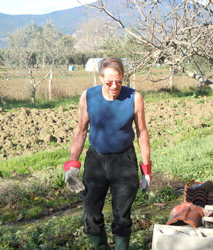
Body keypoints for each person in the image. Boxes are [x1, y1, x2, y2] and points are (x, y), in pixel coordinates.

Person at [63, 57, 151, 250]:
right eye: (109, 82)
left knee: (122, 216)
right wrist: (72, 165)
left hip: (124, 162)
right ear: (100, 77)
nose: (114, 86)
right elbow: (81, 130)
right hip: (96, 162)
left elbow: (142, 132)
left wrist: (146, 170)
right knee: (90, 215)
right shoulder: (88, 96)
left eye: (118, 82)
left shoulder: (134, 98)